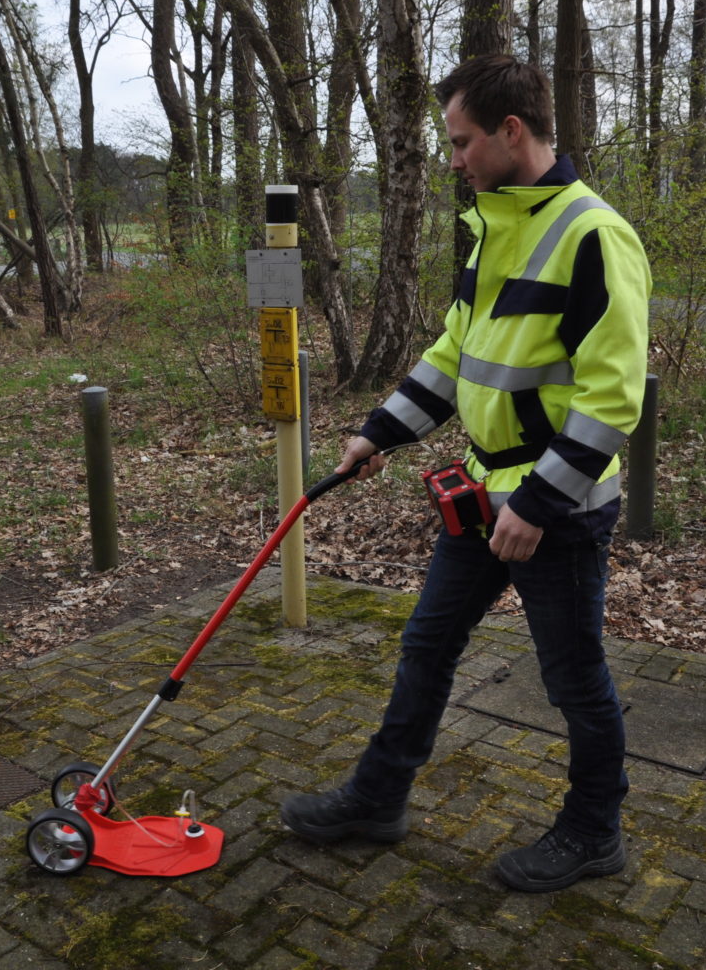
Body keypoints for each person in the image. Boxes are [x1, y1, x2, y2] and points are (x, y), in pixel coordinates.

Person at [280, 54, 652, 893]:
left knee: (572, 676)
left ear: (510, 133)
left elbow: (612, 395)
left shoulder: (596, 235)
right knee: (427, 644)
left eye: (462, 141)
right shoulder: (489, 225)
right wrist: (379, 433)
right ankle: (377, 800)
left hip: (552, 512)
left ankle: (595, 832)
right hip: (482, 493)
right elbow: (455, 355)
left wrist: (544, 501)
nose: (453, 160)